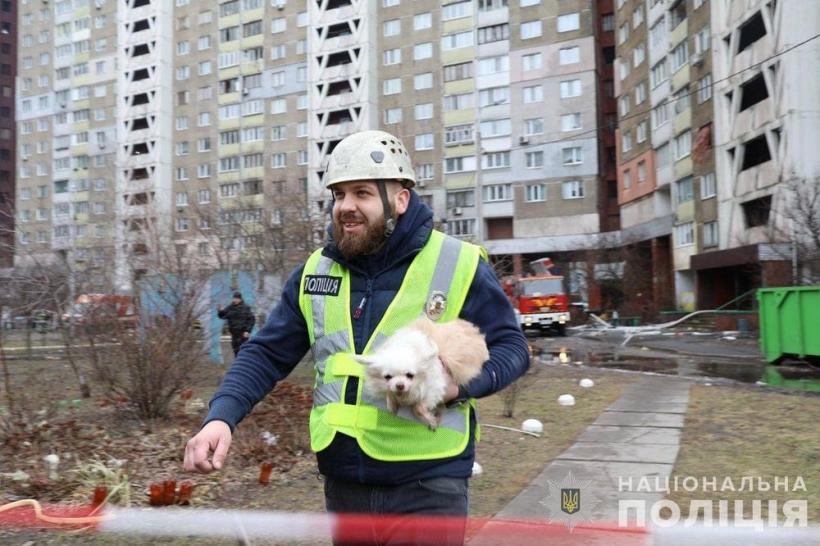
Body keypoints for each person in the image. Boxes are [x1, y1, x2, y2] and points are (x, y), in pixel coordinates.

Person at [185, 130, 529, 545]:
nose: (346, 207)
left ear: (400, 200)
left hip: (428, 482)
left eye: (362, 193)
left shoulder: (457, 263)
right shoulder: (316, 272)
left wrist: (460, 383)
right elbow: (265, 354)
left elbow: (513, 349)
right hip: (345, 484)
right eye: (339, 194)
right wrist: (221, 416)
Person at [217, 291, 255, 356]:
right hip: (234, 335)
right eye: (234, 298)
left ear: (240, 299)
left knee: (243, 352)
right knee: (236, 352)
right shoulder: (230, 308)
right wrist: (220, 311)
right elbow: (222, 316)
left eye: (237, 298)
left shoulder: (245, 308)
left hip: (243, 335)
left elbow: (252, 319)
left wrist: (247, 331)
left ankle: (244, 365)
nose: (235, 300)